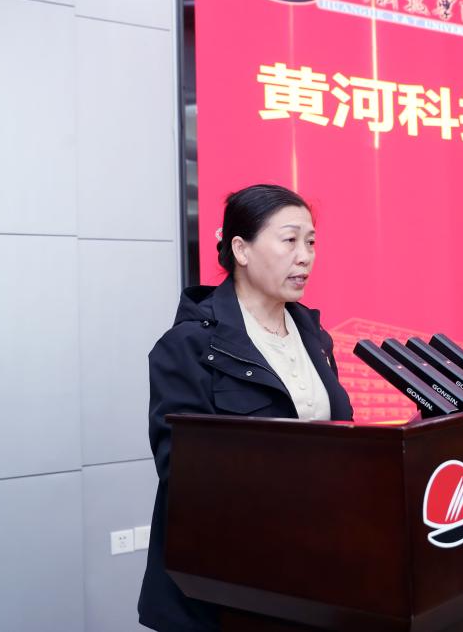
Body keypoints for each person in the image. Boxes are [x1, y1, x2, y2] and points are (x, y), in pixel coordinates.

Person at [138, 184, 353, 631]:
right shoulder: (189, 346)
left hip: (310, 574)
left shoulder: (315, 338)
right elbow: (185, 474)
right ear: (241, 249)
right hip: (223, 590)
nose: (305, 256)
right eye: (289, 240)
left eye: (311, 242)